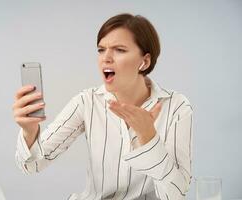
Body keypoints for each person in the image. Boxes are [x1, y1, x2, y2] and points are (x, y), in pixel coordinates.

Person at [13, 13, 193, 200]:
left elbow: (176, 194)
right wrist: (29, 131)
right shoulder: (86, 102)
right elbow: (32, 165)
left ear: (144, 61)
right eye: (101, 49)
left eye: (119, 50)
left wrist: (148, 137)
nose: (105, 58)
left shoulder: (176, 107)